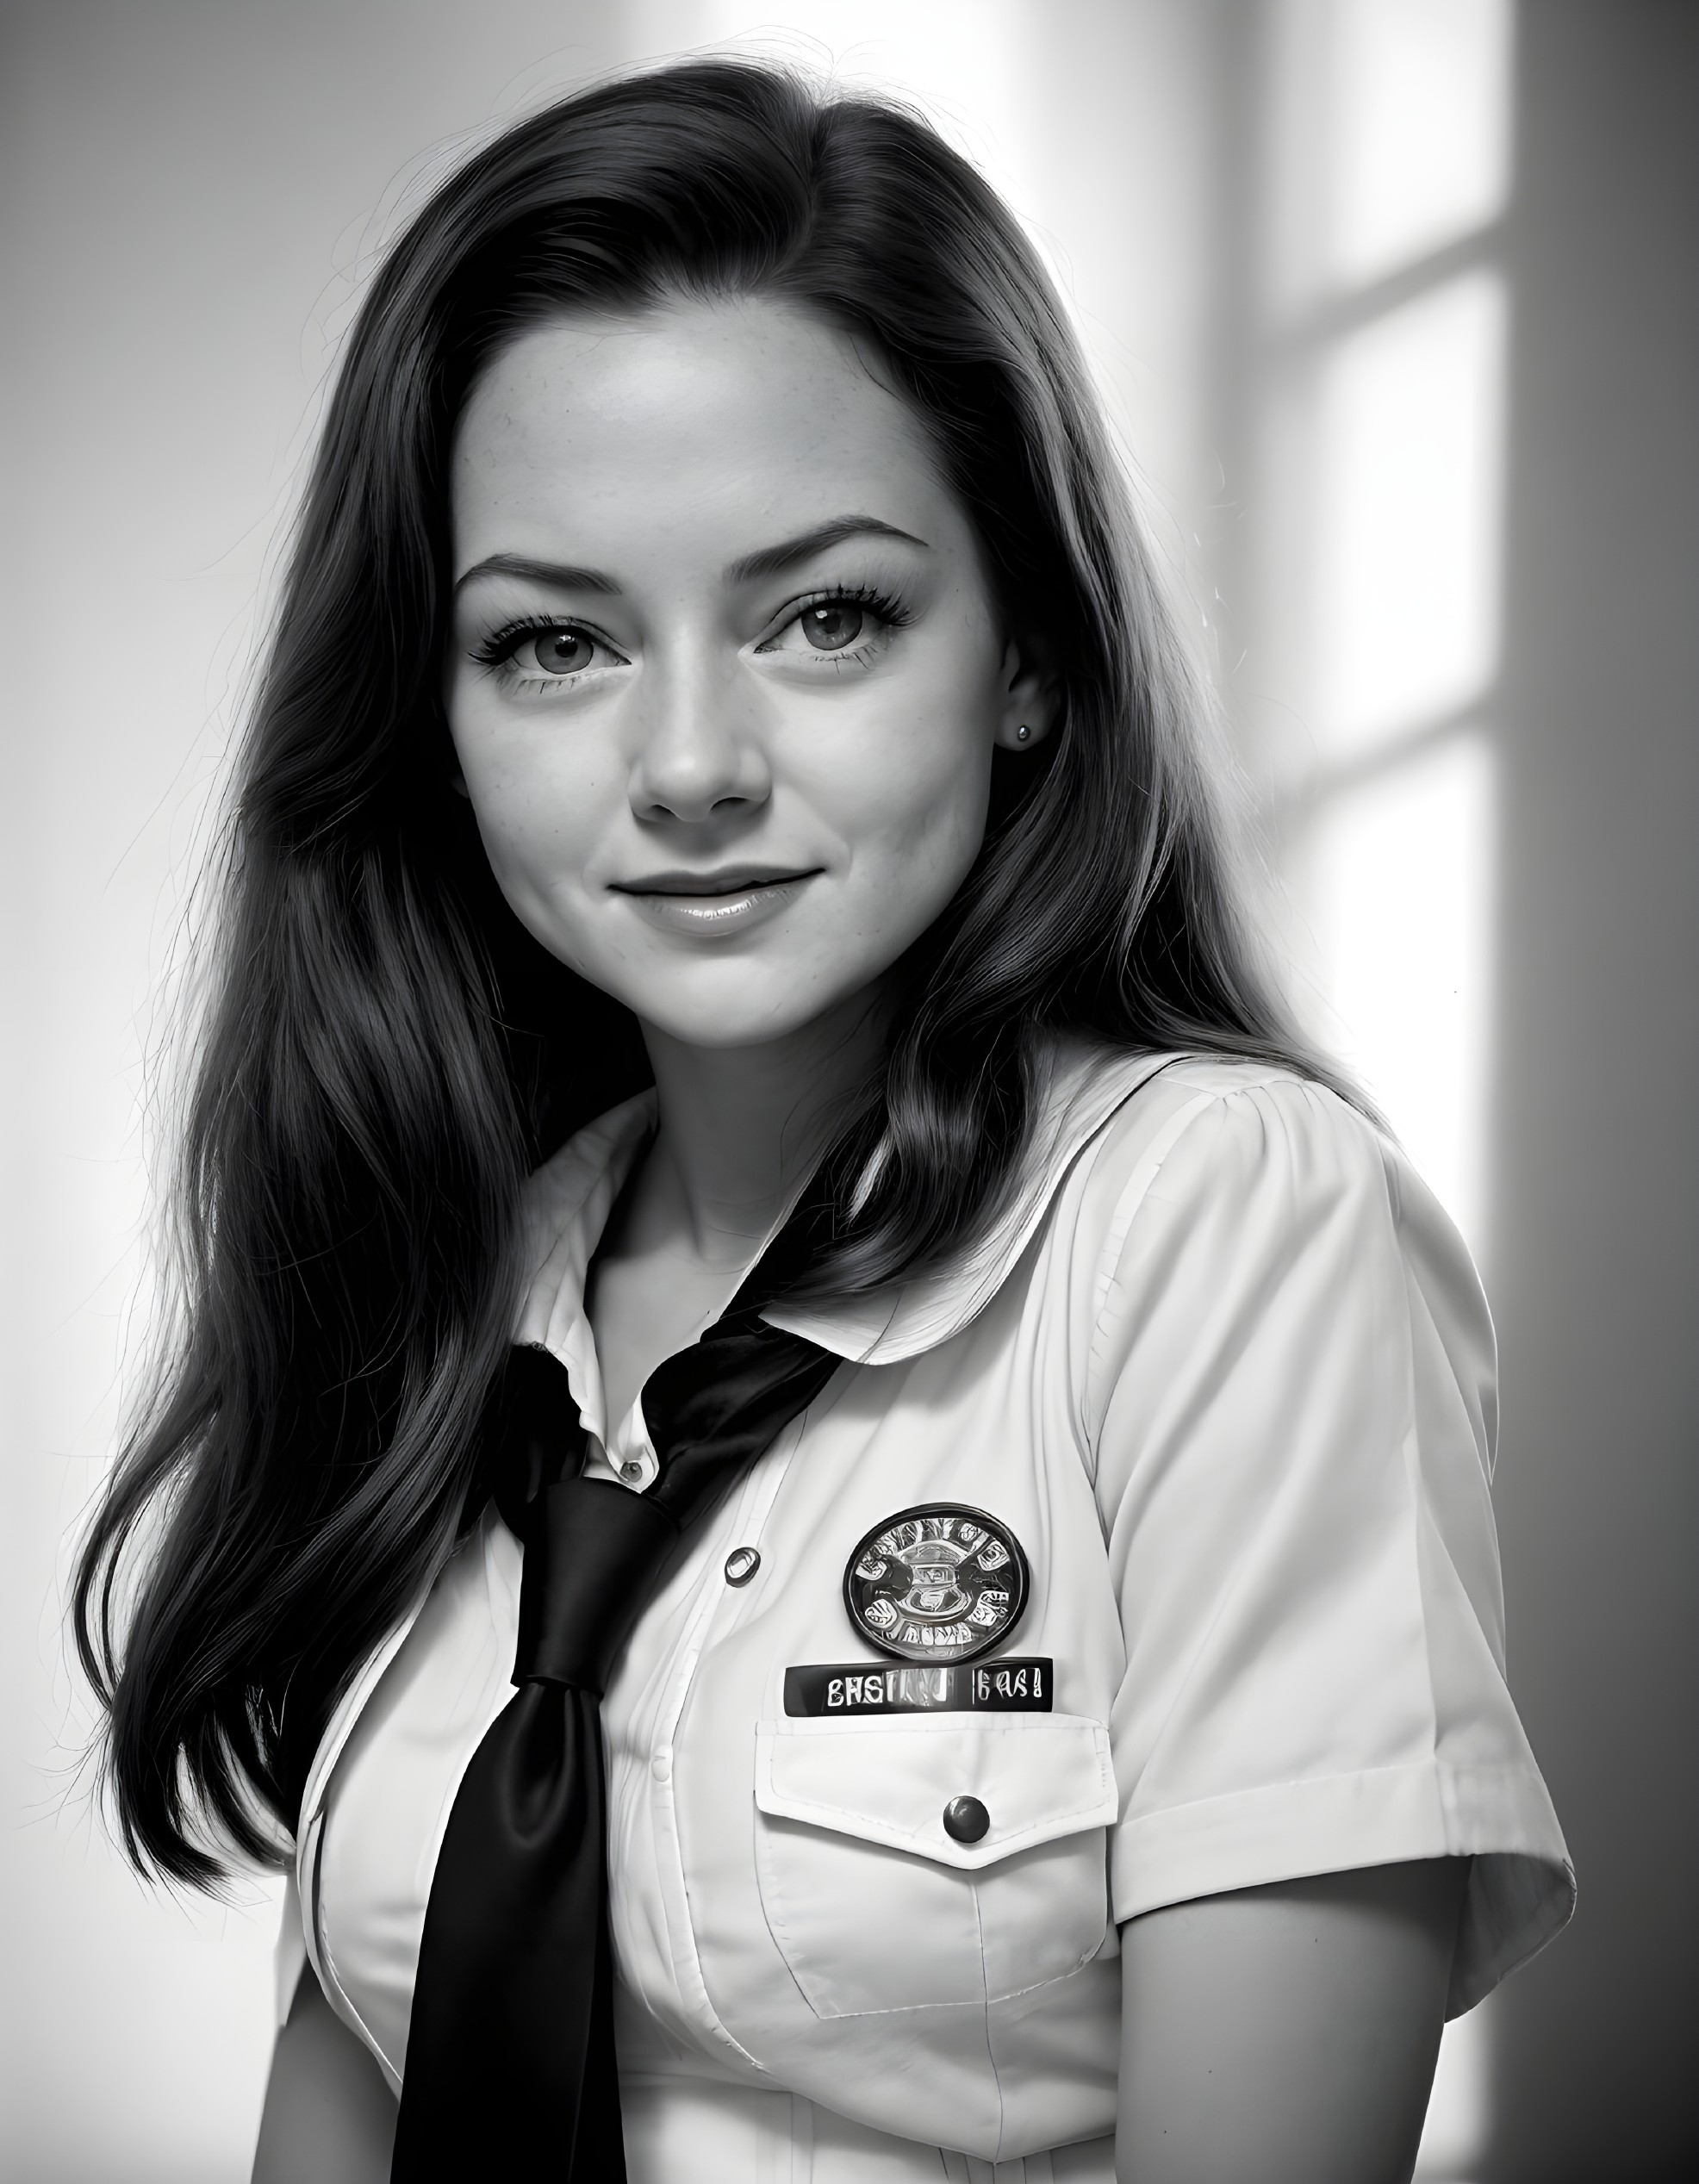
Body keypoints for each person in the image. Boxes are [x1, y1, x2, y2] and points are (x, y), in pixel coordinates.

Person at [73, 59, 1571, 2184]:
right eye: (555, 641)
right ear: (432, 717)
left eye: (826, 614)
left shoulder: (1219, 1223)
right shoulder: (454, 1284)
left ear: (1027, 651)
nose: (689, 761)